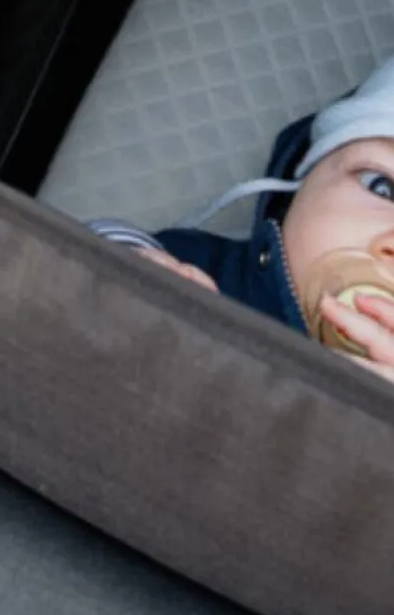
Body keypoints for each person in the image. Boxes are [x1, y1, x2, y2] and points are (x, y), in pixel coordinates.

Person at [92, 55, 394, 381]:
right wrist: (130, 272)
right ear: (299, 184)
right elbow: (72, 259)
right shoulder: (197, 275)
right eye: (382, 187)